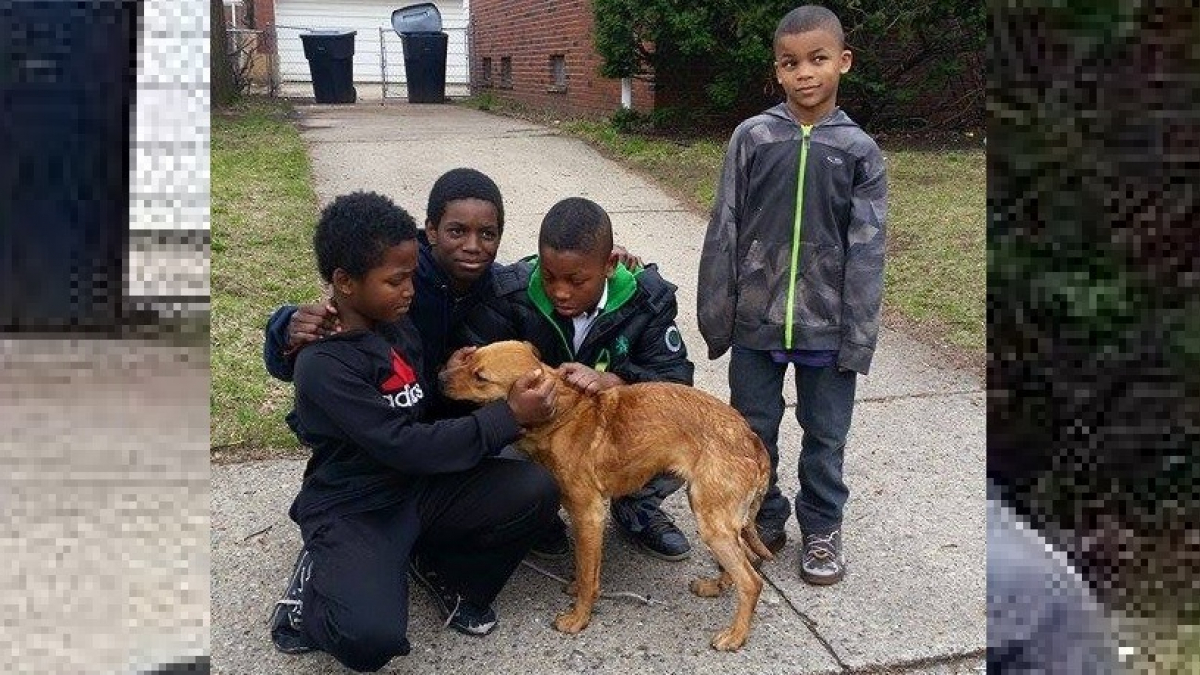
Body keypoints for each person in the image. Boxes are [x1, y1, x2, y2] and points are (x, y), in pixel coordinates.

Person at [265, 191, 560, 672]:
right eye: (396, 280)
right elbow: (403, 444)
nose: (409, 289)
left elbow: (419, 408)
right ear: (344, 282)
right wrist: (506, 417)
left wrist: (453, 373)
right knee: (369, 641)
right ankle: (314, 590)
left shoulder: (398, 327)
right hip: (357, 505)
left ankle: (445, 573)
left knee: (535, 488)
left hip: (418, 489)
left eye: (410, 276)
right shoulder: (322, 363)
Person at [697, 5, 887, 586]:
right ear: (777, 71)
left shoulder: (860, 152)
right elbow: (724, 223)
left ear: (843, 62)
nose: (805, 72)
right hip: (757, 320)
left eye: (818, 59)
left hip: (826, 328)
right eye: (790, 63)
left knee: (826, 435)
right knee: (753, 431)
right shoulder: (753, 137)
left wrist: (857, 339)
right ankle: (766, 518)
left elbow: (868, 250)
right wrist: (717, 315)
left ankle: (823, 529)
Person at [457, 196, 696, 561]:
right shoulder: (511, 294)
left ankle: (636, 506)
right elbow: (473, 376)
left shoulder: (646, 299)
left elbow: (676, 383)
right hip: (536, 431)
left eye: (576, 280)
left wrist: (617, 380)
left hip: (607, 434)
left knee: (680, 430)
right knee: (497, 450)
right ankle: (540, 512)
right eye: (550, 277)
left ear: (610, 264)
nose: (561, 291)